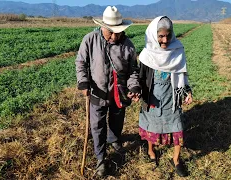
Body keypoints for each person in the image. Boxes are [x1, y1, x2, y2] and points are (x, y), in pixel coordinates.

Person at [75, 6, 140, 177]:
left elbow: (133, 70)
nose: (114, 36)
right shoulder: (90, 40)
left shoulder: (128, 46)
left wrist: (133, 86)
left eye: (117, 32)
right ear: (102, 26)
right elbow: (81, 62)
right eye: (110, 32)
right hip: (98, 92)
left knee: (117, 120)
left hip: (119, 93)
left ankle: (114, 139)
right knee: (97, 126)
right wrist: (83, 82)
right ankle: (100, 158)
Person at [138, 16, 193, 177]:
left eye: (168, 35)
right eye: (160, 36)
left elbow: (183, 75)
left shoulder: (177, 51)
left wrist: (187, 92)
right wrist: (136, 91)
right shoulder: (147, 55)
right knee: (151, 124)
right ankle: (151, 151)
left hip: (172, 97)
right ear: (154, 36)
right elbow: (140, 77)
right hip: (152, 97)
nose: (165, 40)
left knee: (177, 126)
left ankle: (176, 159)